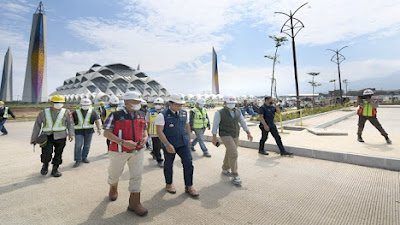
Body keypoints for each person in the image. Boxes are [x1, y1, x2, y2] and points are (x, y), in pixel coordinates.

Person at [103, 91, 149, 216]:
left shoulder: (142, 115)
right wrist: (122, 142)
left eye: (139, 102)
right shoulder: (115, 115)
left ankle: (134, 203)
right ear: (127, 102)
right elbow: (106, 133)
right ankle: (113, 187)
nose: (138, 104)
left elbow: (145, 131)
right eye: (135, 102)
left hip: (137, 151)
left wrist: (145, 138)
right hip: (118, 151)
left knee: (137, 176)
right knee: (114, 174)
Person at [156, 93, 199, 197]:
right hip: (169, 144)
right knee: (169, 164)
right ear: (170, 103)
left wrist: (189, 139)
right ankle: (169, 183)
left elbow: (187, 126)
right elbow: (159, 131)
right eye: (177, 104)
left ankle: (189, 186)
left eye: (181, 104)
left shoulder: (184, 113)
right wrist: (166, 144)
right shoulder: (162, 115)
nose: (180, 107)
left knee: (188, 163)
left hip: (183, 143)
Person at [212, 96, 253, 185]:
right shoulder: (219, 113)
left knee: (230, 151)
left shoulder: (238, 111)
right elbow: (215, 125)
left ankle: (225, 167)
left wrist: (248, 132)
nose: (232, 105)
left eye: (233, 103)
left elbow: (242, 122)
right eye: (230, 103)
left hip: (235, 134)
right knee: (234, 153)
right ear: (225, 103)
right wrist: (214, 137)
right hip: (225, 134)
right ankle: (235, 174)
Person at [30, 95, 74, 177]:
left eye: (61, 102)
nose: (59, 104)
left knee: (58, 153)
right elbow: (37, 125)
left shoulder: (66, 112)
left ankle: (55, 169)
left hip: (61, 136)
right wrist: (34, 137)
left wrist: (71, 134)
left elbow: (70, 123)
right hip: (46, 136)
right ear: (51, 103)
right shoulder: (43, 112)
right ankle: (45, 165)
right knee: (46, 153)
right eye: (57, 102)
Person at [72, 98, 102, 167]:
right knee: (78, 145)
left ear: (90, 105)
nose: (85, 106)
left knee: (87, 145)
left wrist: (99, 128)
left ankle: (84, 158)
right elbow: (71, 121)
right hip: (78, 131)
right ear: (81, 105)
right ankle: (77, 159)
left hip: (89, 131)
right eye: (84, 105)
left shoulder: (93, 111)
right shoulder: (76, 112)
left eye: (87, 105)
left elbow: (96, 120)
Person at [146, 97, 165, 168]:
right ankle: (159, 160)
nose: (158, 105)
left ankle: (154, 153)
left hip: (163, 132)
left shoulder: (165, 112)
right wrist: (147, 132)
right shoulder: (150, 112)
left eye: (159, 104)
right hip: (154, 132)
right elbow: (147, 122)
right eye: (156, 104)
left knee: (160, 146)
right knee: (157, 146)